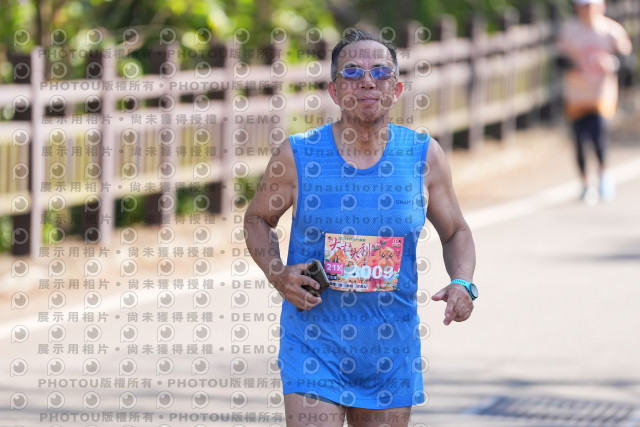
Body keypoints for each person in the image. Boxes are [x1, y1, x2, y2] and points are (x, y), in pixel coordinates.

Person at [244, 29, 477, 426]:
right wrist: (277, 273)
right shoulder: (298, 154)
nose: (367, 81)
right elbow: (257, 219)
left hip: (390, 351)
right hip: (314, 346)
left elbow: (456, 231)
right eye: (352, 72)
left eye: (380, 72)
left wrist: (463, 282)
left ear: (396, 89)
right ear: (335, 91)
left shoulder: (424, 156)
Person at [556, 0, 632, 202]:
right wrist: (574, 65)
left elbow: (627, 59)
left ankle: (603, 174)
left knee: (598, 133)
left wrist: (612, 63)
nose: (588, 10)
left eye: (591, 5)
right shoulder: (569, 31)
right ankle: (584, 182)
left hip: (602, 93)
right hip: (576, 95)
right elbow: (559, 59)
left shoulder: (611, 31)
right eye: (584, 6)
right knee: (579, 139)